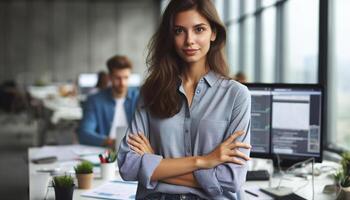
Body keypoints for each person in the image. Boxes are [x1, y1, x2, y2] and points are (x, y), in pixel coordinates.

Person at [117, 0, 251, 199]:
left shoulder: (236, 95)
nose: (189, 40)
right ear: (170, 36)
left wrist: (156, 164)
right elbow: (128, 166)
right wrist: (203, 161)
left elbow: (231, 179)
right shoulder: (150, 91)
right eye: (179, 31)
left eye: (199, 29)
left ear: (213, 33)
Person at [79, 55, 139, 149]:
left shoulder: (139, 98)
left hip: (134, 152)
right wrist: (111, 142)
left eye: (126, 78)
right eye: (117, 78)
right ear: (110, 77)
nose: (122, 83)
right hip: (105, 152)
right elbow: (84, 133)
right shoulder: (94, 101)